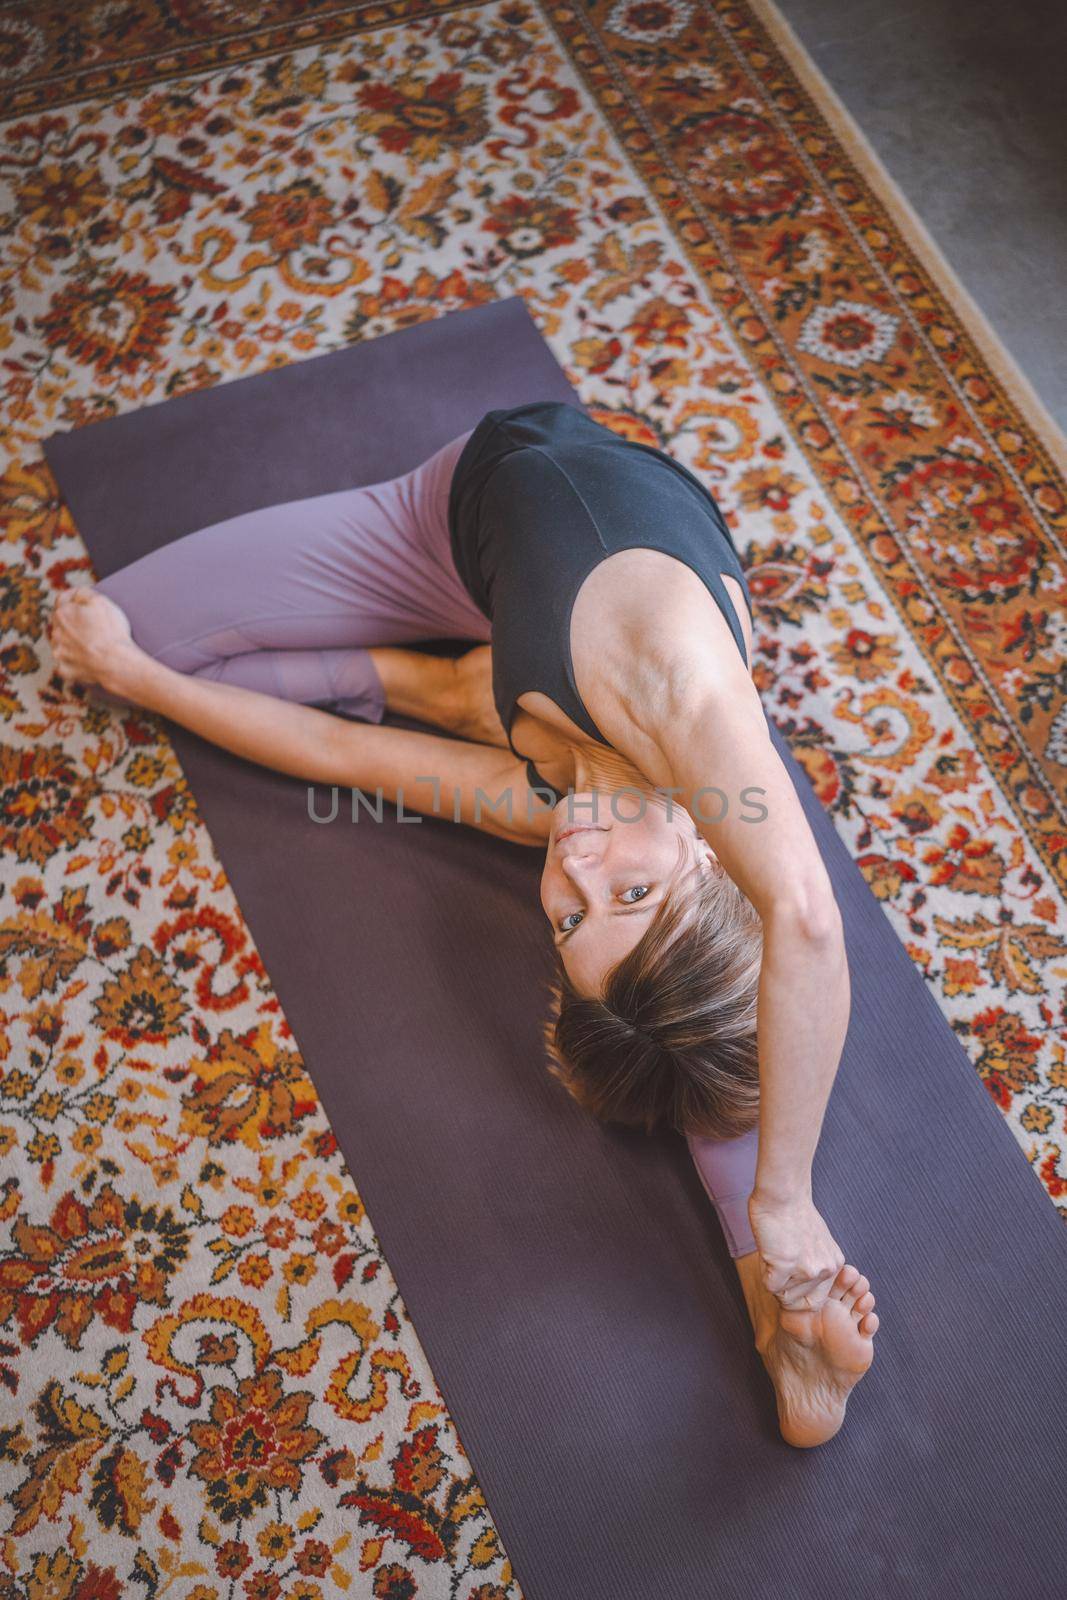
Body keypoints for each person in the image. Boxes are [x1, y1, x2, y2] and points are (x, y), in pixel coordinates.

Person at [48, 400, 878, 1447]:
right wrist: (783, 1201)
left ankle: (779, 1332)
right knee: (134, 612)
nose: (577, 869)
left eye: (571, 919)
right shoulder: (685, 699)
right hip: (446, 522)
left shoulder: (556, 815)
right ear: (706, 851)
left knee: (130, 647)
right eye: (631, 891)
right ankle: (434, 682)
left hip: (491, 636)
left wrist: (139, 679)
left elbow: (346, 762)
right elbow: (803, 921)